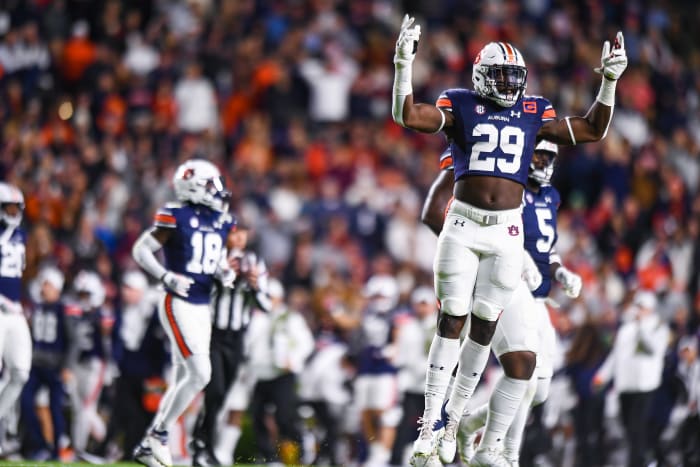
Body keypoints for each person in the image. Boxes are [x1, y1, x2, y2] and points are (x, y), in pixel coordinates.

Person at [391, 13, 627, 466]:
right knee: (452, 321)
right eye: (500, 74)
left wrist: (609, 82)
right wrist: (404, 64)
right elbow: (409, 115)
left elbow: (593, 129)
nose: (508, 83)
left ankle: (454, 420)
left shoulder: (534, 113)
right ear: (481, 75)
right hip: (462, 223)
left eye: (514, 76)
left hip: (506, 232)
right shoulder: (460, 104)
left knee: (482, 330)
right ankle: (430, 423)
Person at [454, 141, 582, 466]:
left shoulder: (551, 196)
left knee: (538, 392)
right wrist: (518, 256)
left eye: (548, 156)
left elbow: (547, 248)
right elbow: (493, 230)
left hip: (540, 298)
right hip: (510, 288)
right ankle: (506, 454)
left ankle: (472, 424)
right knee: (523, 377)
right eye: (538, 154)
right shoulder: (510, 189)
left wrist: (561, 271)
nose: (542, 161)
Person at [131, 159, 235, 467]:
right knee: (200, 373)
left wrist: (224, 271)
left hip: (204, 306)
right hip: (178, 301)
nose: (217, 191)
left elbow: (216, 256)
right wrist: (165, 276)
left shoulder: (221, 219)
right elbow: (141, 250)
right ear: (194, 186)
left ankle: (151, 444)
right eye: (210, 184)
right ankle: (158, 436)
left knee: (182, 376)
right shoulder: (176, 215)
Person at [190, 224, 271, 467]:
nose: (239, 239)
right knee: (214, 390)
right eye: (234, 233)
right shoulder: (213, 257)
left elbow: (266, 305)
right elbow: (199, 292)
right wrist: (222, 276)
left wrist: (254, 285)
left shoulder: (255, 262)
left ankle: (202, 442)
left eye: (243, 234)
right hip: (214, 334)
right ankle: (202, 443)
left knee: (221, 397)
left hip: (237, 338)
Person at [593, 290, 671, 467]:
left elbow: (654, 349)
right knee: (628, 430)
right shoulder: (626, 329)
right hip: (625, 386)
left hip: (645, 387)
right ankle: (642, 460)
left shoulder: (658, 328)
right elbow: (616, 356)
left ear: (651, 309)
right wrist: (602, 376)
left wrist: (642, 326)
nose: (638, 311)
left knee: (637, 430)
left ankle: (639, 462)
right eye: (637, 307)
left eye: (642, 307)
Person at [100, 270, 169, 461]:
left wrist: (163, 371)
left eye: (130, 289)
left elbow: (162, 344)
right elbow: (119, 341)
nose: (125, 292)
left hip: (151, 372)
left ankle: (144, 452)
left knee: (149, 415)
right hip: (128, 369)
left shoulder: (154, 311)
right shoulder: (122, 311)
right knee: (124, 411)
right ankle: (124, 451)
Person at [248, 278, 314, 464]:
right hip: (260, 374)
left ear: (279, 297)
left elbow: (306, 343)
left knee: (284, 416)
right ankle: (269, 456)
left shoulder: (290, 318)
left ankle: (301, 446)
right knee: (258, 415)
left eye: (270, 296)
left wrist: (292, 360)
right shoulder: (256, 317)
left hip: (282, 373)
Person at [21, 267, 80, 460]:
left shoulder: (64, 309)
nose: (43, 288)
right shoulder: (37, 307)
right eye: (43, 284)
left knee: (56, 409)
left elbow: (73, 340)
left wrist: (67, 367)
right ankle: (41, 444)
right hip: (36, 365)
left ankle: (56, 451)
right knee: (26, 402)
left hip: (55, 366)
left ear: (56, 287)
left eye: (47, 284)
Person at [67, 269, 111, 456]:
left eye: (87, 294)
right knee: (80, 409)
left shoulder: (103, 314)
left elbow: (108, 343)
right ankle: (106, 443)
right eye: (81, 294)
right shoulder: (74, 312)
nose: (83, 298)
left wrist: (110, 367)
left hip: (95, 364)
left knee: (86, 408)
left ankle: (78, 448)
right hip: (76, 364)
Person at [0, 182, 31, 450]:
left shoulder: (21, 234)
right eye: (7, 207)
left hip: (15, 312)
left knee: (20, 372)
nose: (12, 211)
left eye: (15, 207)